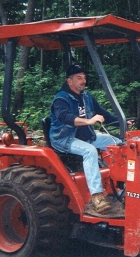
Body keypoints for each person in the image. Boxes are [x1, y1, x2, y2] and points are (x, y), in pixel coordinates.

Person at [49, 64, 124, 213]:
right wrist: (88, 121)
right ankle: (97, 196)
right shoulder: (60, 99)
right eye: (79, 78)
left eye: (84, 77)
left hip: (87, 136)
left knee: (119, 143)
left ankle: (125, 187)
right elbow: (65, 117)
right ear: (70, 81)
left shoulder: (86, 96)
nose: (83, 81)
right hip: (64, 139)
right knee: (90, 151)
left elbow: (102, 113)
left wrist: (121, 121)